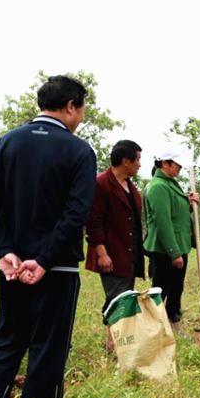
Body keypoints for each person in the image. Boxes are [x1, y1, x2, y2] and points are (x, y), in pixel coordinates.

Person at [0, 75, 96, 398]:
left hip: (12, 267)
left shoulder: (5, 144)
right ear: (71, 106)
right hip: (57, 269)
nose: (82, 115)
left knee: (7, 341)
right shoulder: (79, 150)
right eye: (82, 108)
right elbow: (76, 213)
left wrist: (4, 251)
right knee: (49, 345)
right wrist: (43, 259)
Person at [85, 140, 145, 352]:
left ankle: (119, 341)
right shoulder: (101, 183)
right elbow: (93, 222)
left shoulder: (130, 185)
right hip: (112, 252)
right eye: (137, 159)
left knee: (125, 296)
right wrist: (101, 253)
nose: (140, 164)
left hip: (129, 252)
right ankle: (112, 343)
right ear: (125, 161)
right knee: (116, 297)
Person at [143, 150, 200, 333]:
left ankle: (174, 322)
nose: (180, 168)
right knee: (161, 289)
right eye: (176, 164)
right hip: (166, 249)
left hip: (179, 245)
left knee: (176, 288)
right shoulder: (158, 186)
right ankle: (154, 326)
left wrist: (189, 203)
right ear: (164, 164)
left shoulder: (171, 184)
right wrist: (174, 253)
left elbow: (176, 212)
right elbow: (163, 222)